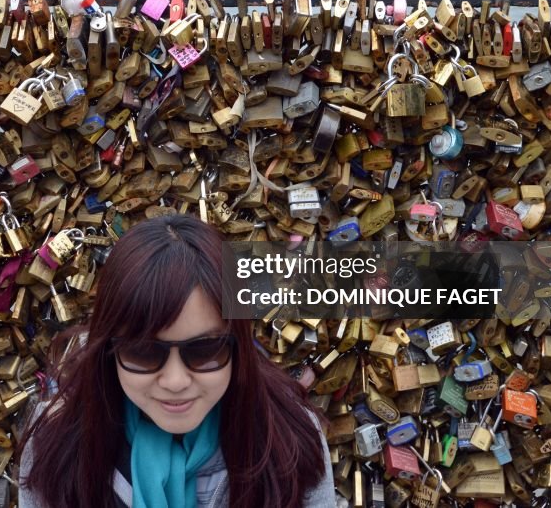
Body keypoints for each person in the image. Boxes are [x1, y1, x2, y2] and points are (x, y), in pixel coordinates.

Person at [17, 214, 335, 508]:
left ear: (238, 346)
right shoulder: (55, 446)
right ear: (108, 349)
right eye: (143, 351)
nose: (175, 382)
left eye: (205, 350)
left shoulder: (289, 437)